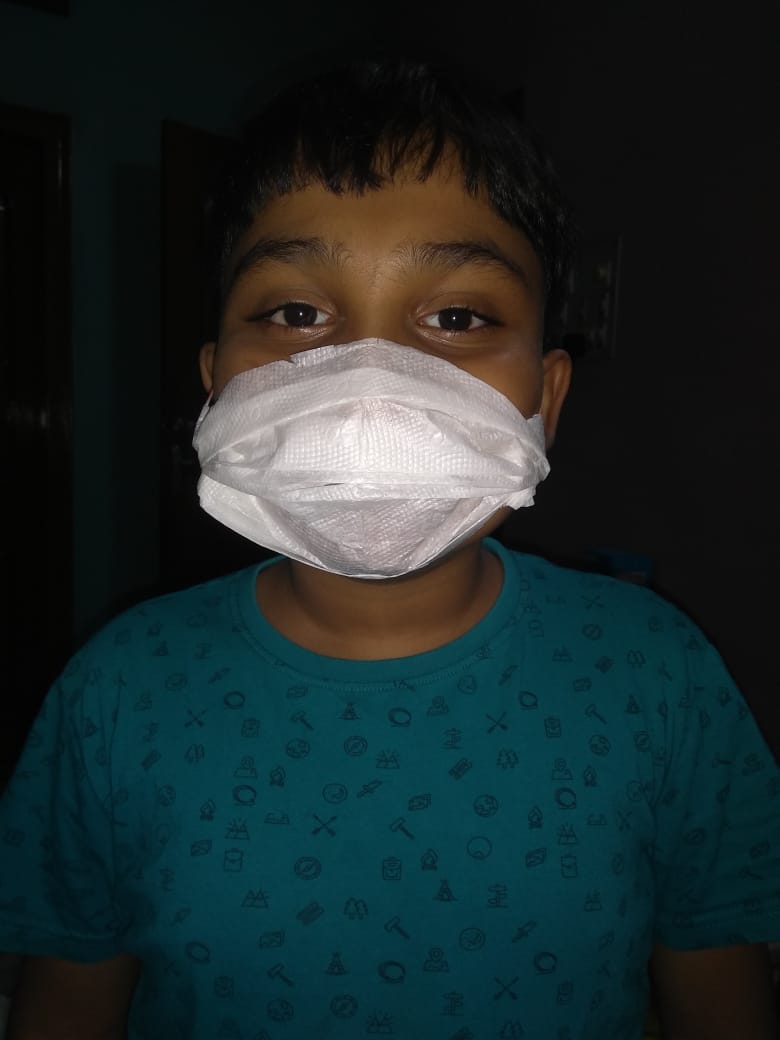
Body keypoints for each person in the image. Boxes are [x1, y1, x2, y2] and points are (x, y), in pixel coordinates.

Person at [1, 54, 778, 1040]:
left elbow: (721, 988)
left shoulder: (658, 675)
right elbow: (67, 997)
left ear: (546, 399)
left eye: (456, 317)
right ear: (217, 387)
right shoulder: (116, 690)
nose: (371, 381)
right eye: (296, 313)